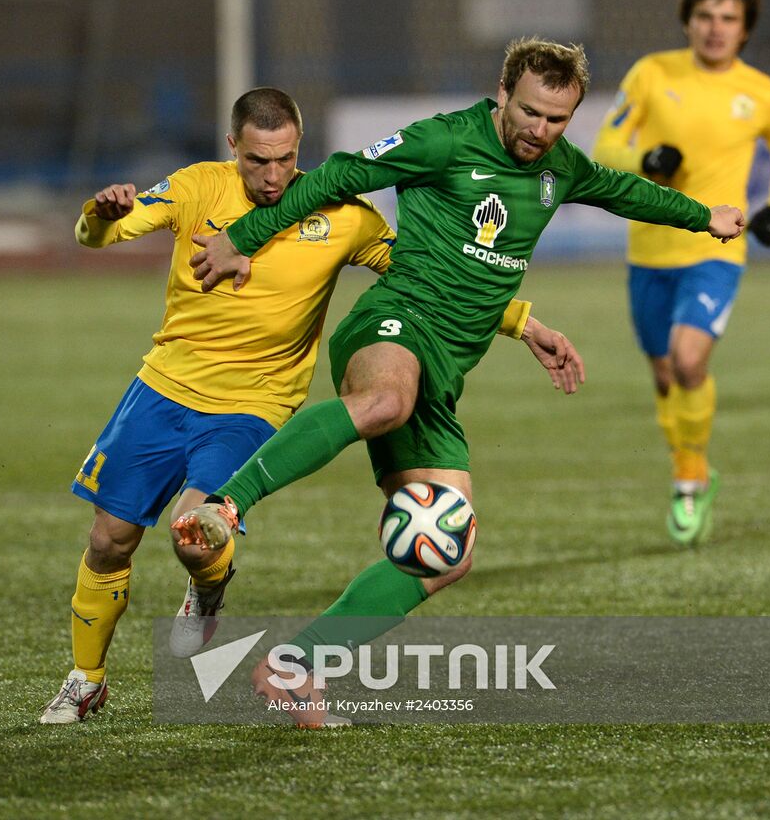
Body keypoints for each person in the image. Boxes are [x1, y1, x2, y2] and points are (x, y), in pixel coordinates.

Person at [172, 37, 745, 727]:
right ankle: (228, 506)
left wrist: (702, 217)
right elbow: (339, 175)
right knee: (385, 399)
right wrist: (246, 236)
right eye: (530, 112)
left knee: (446, 552)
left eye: (557, 119)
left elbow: (624, 191)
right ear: (503, 94)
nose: (540, 131)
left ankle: (296, 667)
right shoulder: (443, 141)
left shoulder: (559, 168)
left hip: (445, 371)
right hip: (394, 321)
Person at [40, 85, 552, 725]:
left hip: (255, 404)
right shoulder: (197, 187)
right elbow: (100, 234)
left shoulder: (342, 214)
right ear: (234, 148)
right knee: (109, 540)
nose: (274, 175)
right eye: (258, 161)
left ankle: (206, 585)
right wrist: (99, 211)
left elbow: (422, 276)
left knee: (193, 536)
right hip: (163, 387)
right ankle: (87, 679)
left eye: (285, 159)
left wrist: (520, 321)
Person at [591, 0, 770, 546]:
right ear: (688, 20)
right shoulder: (652, 74)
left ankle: (688, 481)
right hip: (649, 249)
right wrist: (647, 158)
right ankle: (692, 470)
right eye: (705, 16)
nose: (715, 28)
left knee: (687, 360)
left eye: (728, 19)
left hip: (718, 249)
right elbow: (607, 145)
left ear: (745, 30)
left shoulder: (761, 93)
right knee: (663, 376)